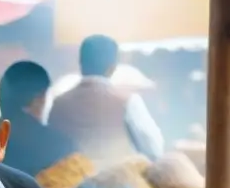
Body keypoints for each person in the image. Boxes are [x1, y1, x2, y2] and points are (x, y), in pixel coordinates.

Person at [47, 34, 165, 164]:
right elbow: (153, 149)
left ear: (80, 63)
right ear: (113, 66)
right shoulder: (128, 101)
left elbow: (50, 148)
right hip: (115, 181)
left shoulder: (58, 103)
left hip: (67, 181)